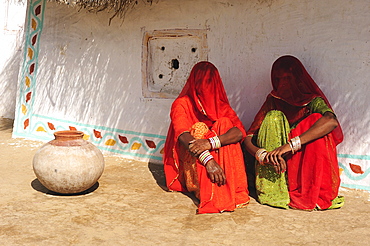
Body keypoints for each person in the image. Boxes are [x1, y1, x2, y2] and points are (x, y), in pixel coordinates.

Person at [243, 55, 344, 211]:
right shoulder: (273, 101)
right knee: (273, 117)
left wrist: (289, 146)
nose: (282, 84)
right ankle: (275, 188)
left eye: (287, 78)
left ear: (298, 79)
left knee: (317, 121)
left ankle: (311, 188)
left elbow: (331, 121)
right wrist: (262, 155)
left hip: (301, 159)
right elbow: (248, 137)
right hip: (276, 162)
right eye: (278, 79)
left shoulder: (312, 101)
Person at [163, 61, 250, 214]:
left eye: (210, 83)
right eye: (201, 83)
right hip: (196, 159)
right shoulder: (181, 104)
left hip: (211, 151)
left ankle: (229, 189)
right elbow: (182, 135)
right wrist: (208, 160)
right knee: (199, 128)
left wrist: (210, 143)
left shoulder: (220, 105)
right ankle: (208, 190)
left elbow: (239, 132)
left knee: (225, 124)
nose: (206, 88)